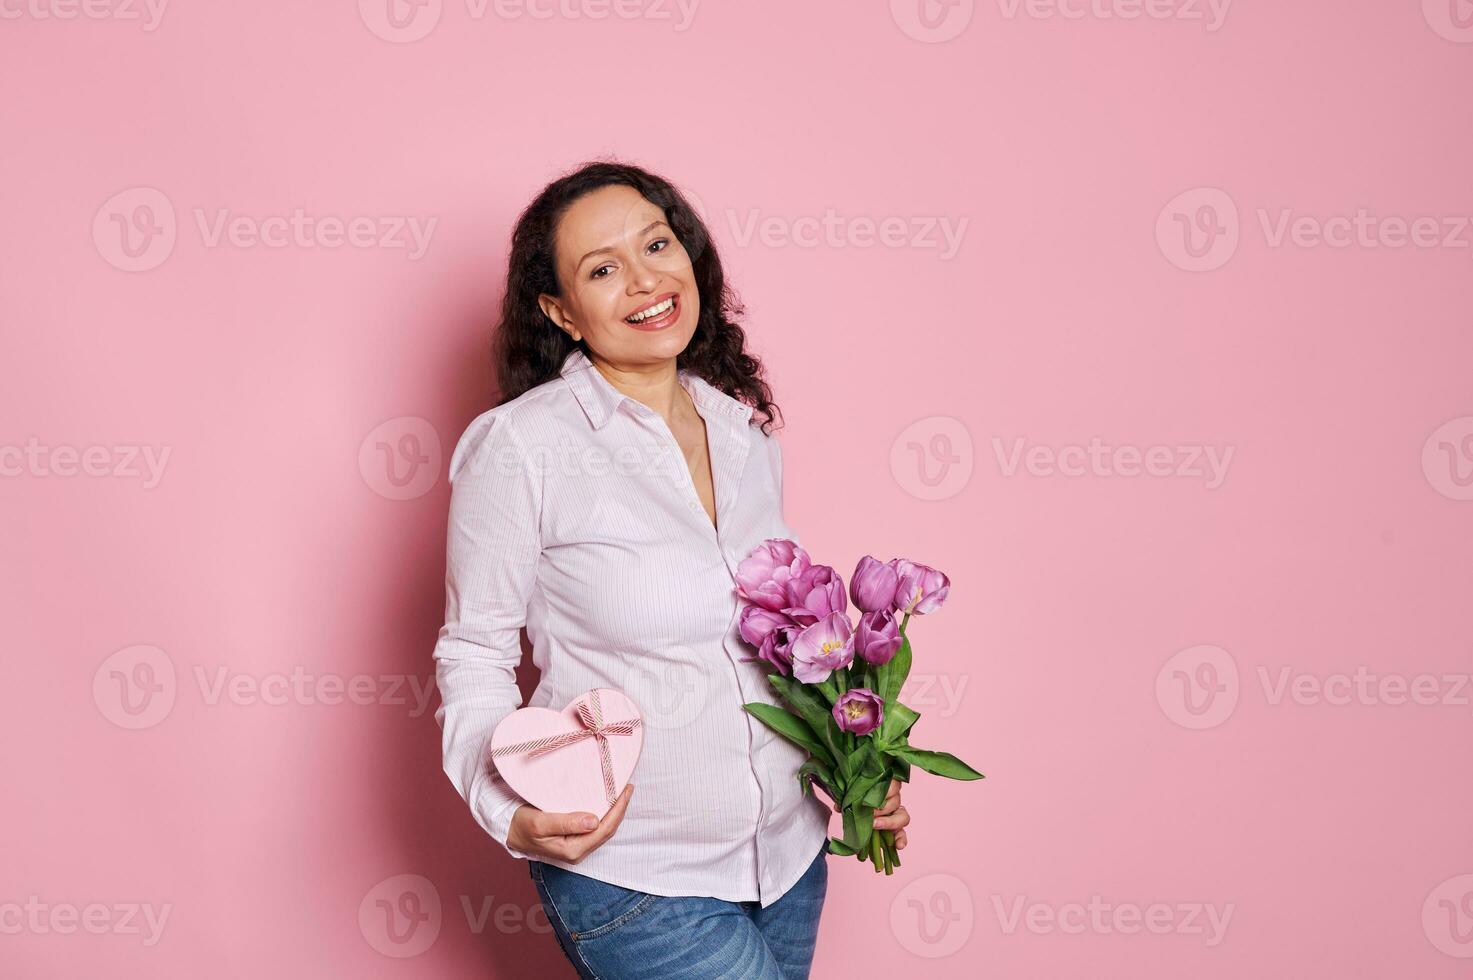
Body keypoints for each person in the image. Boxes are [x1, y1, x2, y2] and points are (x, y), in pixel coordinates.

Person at [431, 161, 910, 979]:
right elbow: (473, 653)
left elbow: (777, 644)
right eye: (602, 268)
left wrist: (856, 768)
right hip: (636, 876)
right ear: (560, 312)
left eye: (657, 244)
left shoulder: (743, 434)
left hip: (787, 860)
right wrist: (504, 810)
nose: (645, 280)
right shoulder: (521, 448)